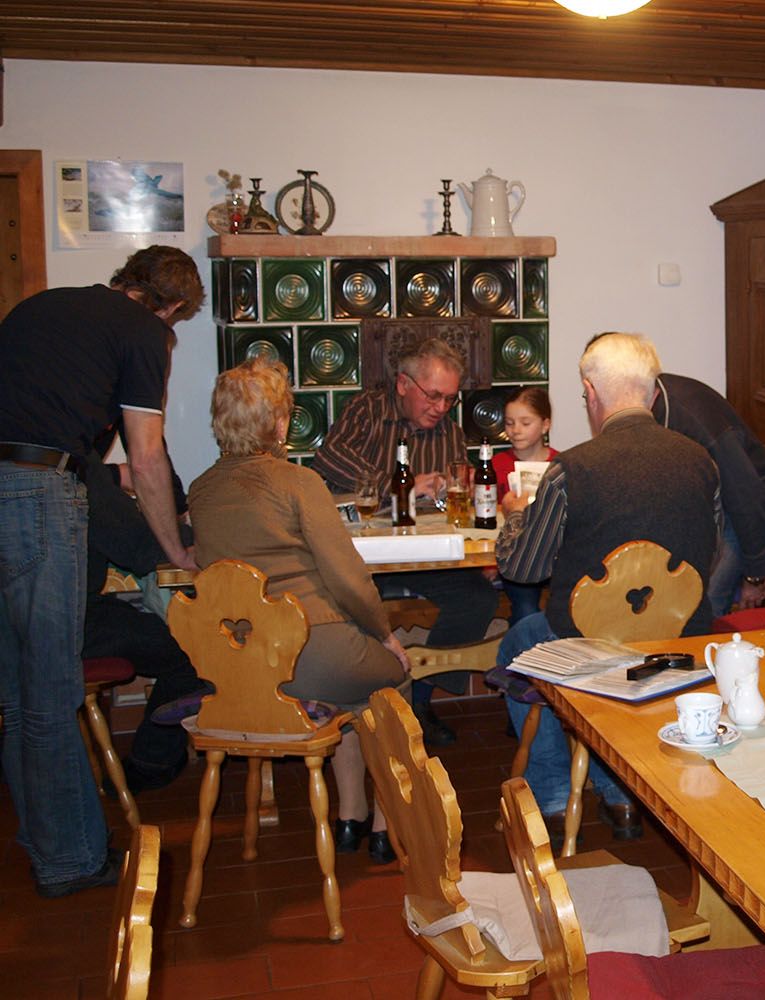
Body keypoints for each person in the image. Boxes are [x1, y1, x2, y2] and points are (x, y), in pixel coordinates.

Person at [0, 245, 201, 898]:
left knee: (17, 692)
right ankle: (74, 862)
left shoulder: (42, 306)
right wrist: (174, 550)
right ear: (171, 308)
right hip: (37, 491)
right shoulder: (146, 332)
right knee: (53, 694)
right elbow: (145, 460)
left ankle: (45, 843)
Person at [490, 333, 719, 839]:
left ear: (591, 394)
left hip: (590, 652)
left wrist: (513, 519)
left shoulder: (570, 470)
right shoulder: (702, 462)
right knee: (571, 640)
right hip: (678, 646)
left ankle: (552, 788)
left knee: (522, 636)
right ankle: (619, 791)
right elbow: (711, 552)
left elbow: (524, 570)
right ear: (653, 395)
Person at [190, 357, 409, 864]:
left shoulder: (200, 493)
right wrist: (385, 635)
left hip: (247, 669)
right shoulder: (299, 483)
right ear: (280, 423)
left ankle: (349, 814)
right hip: (312, 656)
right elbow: (348, 578)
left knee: (351, 690)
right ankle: (383, 822)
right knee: (391, 678)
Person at [311, 336, 497, 749]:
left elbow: (458, 490)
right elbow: (328, 461)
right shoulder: (368, 410)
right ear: (403, 384)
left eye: (450, 399)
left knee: (478, 599)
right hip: (366, 560)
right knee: (347, 605)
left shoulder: (448, 431)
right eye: (433, 396)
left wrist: (450, 490)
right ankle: (364, 703)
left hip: (422, 554)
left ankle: (421, 698)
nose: (441, 408)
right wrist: (405, 486)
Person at [81, 452, 205, 792]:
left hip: (18, 629)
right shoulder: (79, 472)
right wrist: (204, 533)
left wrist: (109, 474)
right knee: (191, 648)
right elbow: (140, 548)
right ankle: (152, 761)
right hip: (74, 624)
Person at [651, 372, 765, 616]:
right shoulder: (645, 402)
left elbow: (747, 497)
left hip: (743, 501)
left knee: (706, 603)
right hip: (712, 501)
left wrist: (754, 575)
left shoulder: (695, 422)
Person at [492, 387, 558, 625]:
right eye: (509, 423)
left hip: (554, 555)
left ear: (545, 425)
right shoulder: (496, 465)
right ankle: (522, 651)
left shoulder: (560, 465)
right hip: (515, 555)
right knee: (526, 606)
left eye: (525, 422)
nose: (515, 430)